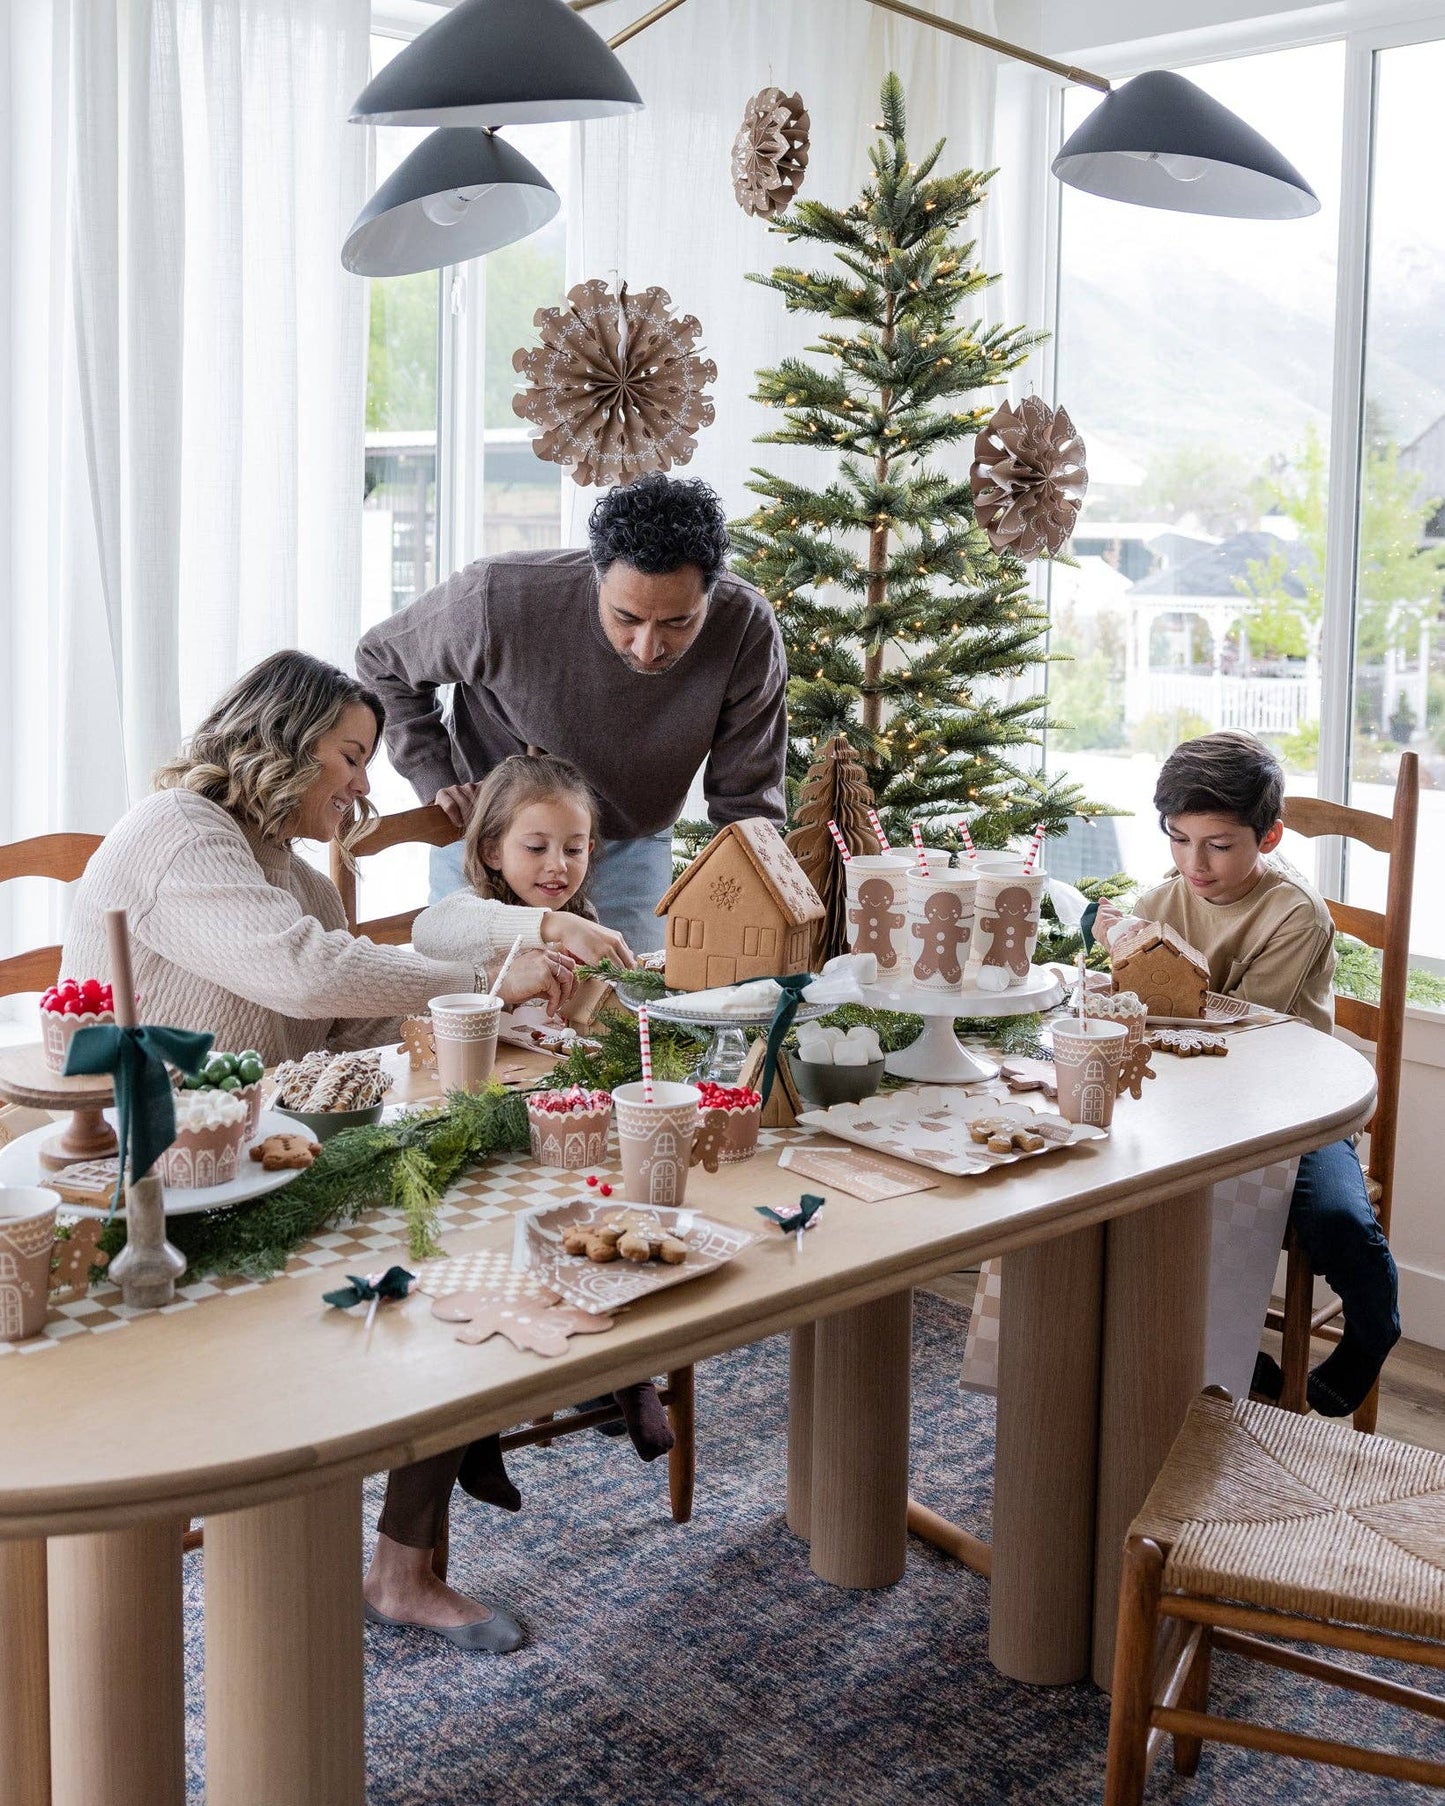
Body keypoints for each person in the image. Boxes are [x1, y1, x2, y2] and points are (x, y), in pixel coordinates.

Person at [63, 650, 576, 1655]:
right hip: (155, 1186)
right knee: (433, 1261)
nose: (360, 782)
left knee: (471, 1250)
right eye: (348, 755)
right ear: (281, 742)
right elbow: (303, 976)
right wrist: (489, 976)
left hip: (270, 1162)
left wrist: (484, 1023)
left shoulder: (300, 878)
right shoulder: (177, 832)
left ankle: (403, 1566)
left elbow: (348, 1034)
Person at [1095, 730, 1399, 1416]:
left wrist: (1157, 972)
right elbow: (1132, 1012)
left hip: (1294, 1103)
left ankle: (1374, 1323)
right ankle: (1206, 1348)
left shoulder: (1294, 915)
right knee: (1121, 1193)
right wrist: (1121, 957)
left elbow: (1250, 1036)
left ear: (1268, 837)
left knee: (1334, 1216)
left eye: (1218, 845)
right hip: (1188, 1100)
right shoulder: (1160, 900)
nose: (1193, 863)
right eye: (1178, 839)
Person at [355, 472, 789, 951]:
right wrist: (436, 777)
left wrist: (746, 917)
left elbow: (748, 802)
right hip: (493, 840)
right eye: (626, 618)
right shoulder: (500, 598)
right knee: (471, 989)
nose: (646, 648)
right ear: (596, 576)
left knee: (626, 994)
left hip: (631, 845)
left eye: (677, 622)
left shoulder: (746, 626)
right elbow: (382, 661)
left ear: (711, 593)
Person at [410, 750, 676, 1466]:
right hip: (485, 1129)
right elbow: (435, 929)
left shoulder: (584, 922)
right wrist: (546, 933)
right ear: (491, 850)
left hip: (561, 1121)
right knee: (509, 1228)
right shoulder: (475, 922)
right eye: (535, 847)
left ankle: (619, 1367)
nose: (557, 865)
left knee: (617, 1200)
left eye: (575, 847)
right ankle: (480, 1428)